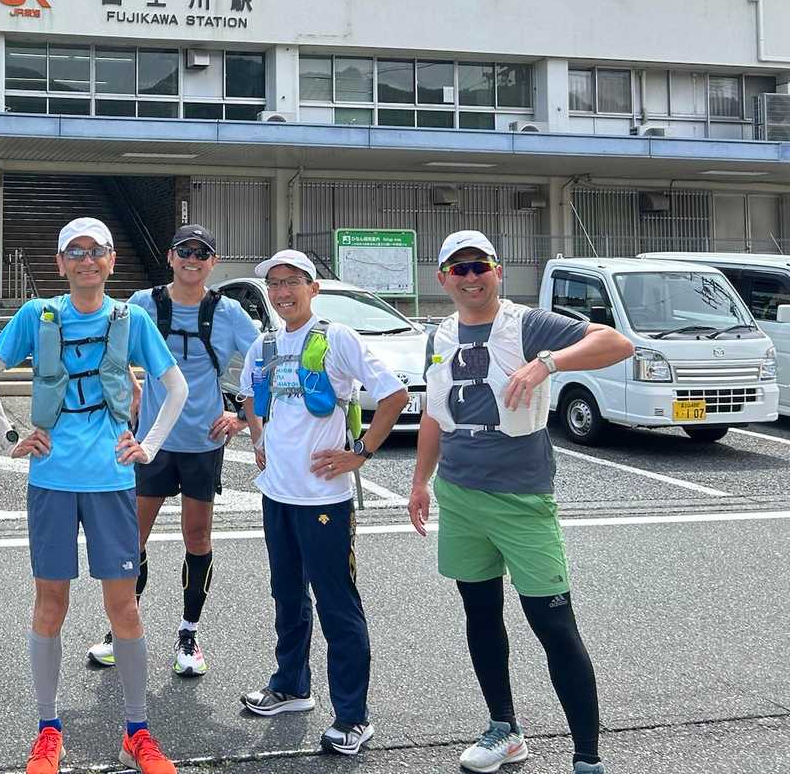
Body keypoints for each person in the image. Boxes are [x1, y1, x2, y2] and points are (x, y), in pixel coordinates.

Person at [408, 231, 632, 774]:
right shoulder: (439, 334)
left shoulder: (525, 324)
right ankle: (505, 730)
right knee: (481, 615)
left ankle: (587, 758)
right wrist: (420, 482)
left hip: (522, 499)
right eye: (458, 269)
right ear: (442, 279)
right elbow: (436, 412)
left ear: (497, 271)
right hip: (459, 494)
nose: (470, 278)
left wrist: (546, 364)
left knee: (553, 624)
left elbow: (616, 344)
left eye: (479, 266)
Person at [0, 217, 189, 774]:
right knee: (51, 604)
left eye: (97, 251)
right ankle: (49, 731)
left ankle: (137, 733)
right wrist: (11, 437)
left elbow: (176, 386)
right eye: (76, 252)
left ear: (111, 261)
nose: (87, 260)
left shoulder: (131, 318)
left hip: (112, 480)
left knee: (124, 606)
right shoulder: (37, 315)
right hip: (50, 479)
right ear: (60, 263)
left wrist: (147, 445)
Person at [236, 249, 408, 758]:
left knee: (337, 604)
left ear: (313, 288)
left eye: (293, 281)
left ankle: (353, 717)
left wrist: (361, 452)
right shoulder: (264, 345)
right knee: (287, 595)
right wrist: (257, 436)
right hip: (276, 494)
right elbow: (249, 396)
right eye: (275, 283)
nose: (283, 292)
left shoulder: (337, 338)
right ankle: (291, 686)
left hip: (324, 499)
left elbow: (394, 395)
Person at [83, 223, 260, 677]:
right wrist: (133, 387)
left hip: (203, 442)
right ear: (170, 256)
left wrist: (241, 417)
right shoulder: (144, 303)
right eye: (185, 251)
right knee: (131, 538)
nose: (192, 260)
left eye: (202, 253)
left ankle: (189, 633)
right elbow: (108, 350)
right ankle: (121, 629)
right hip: (151, 444)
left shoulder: (228, 312)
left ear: (213, 262)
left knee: (197, 537)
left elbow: (265, 361)